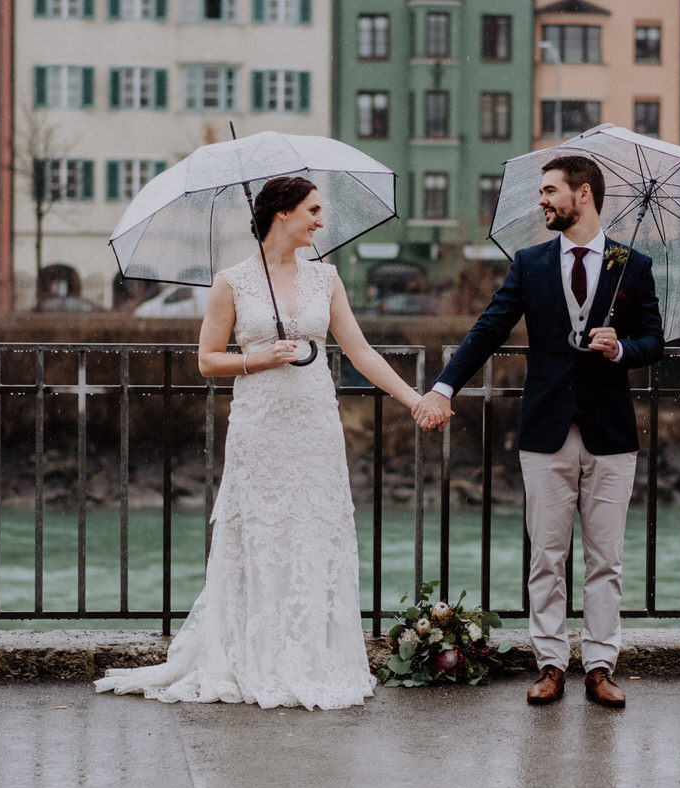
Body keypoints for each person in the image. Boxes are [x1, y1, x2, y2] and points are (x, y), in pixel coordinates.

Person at [96, 176, 444, 710]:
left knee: (313, 532)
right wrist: (260, 357)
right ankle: (254, 657)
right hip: (260, 429)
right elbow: (208, 359)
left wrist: (413, 398)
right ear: (282, 214)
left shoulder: (326, 278)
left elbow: (361, 353)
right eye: (313, 210)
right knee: (261, 535)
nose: (321, 221)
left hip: (314, 425)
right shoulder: (231, 281)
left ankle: (312, 658)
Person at [413, 156, 664, 708]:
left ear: (585, 194)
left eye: (551, 191)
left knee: (606, 559)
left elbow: (655, 341)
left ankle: (600, 666)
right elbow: (488, 329)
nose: (542, 201)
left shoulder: (632, 264)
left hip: (611, 432)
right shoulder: (529, 263)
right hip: (545, 429)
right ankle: (550, 663)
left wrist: (620, 348)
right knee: (547, 555)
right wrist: (443, 388)